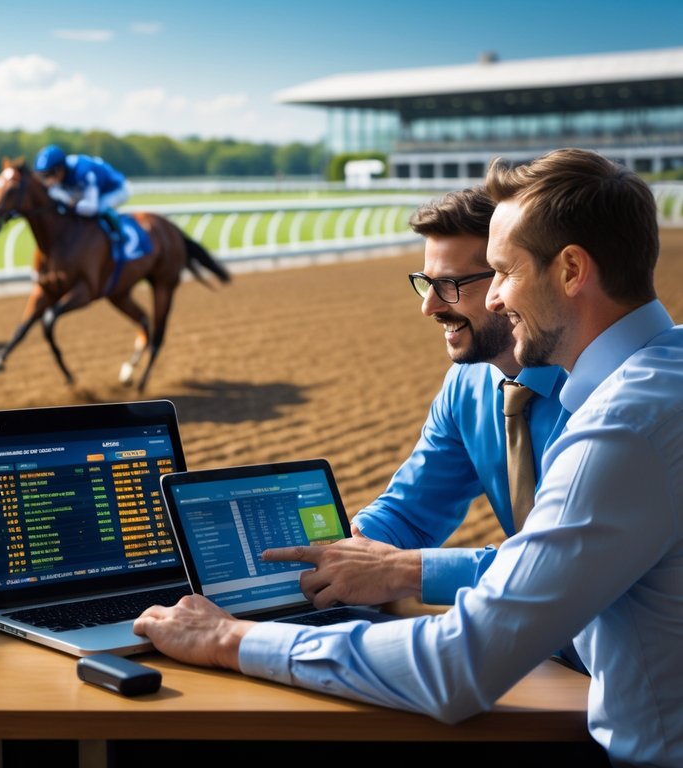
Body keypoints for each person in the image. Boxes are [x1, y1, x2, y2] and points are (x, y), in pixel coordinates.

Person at [134, 148, 683, 767]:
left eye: (500, 273)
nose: (496, 298)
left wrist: (229, 637)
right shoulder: (656, 381)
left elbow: (459, 664)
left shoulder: (619, 428)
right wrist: (307, 574)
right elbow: (413, 515)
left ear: (572, 270)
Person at [293, 186, 570, 612]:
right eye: (426, 283)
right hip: (540, 636)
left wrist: (403, 570)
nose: (430, 307)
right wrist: (338, 555)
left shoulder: (602, 390)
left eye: (451, 285)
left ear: (511, 276)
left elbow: (563, 564)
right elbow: (410, 514)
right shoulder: (466, 384)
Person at [32, 144, 131, 242]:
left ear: (60, 169)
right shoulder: (62, 173)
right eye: (43, 176)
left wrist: (70, 205)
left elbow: (92, 208)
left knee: (100, 208)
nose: (47, 182)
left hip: (116, 189)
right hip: (91, 188)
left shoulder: (84, 172)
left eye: (49, 175)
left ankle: (120, 235)